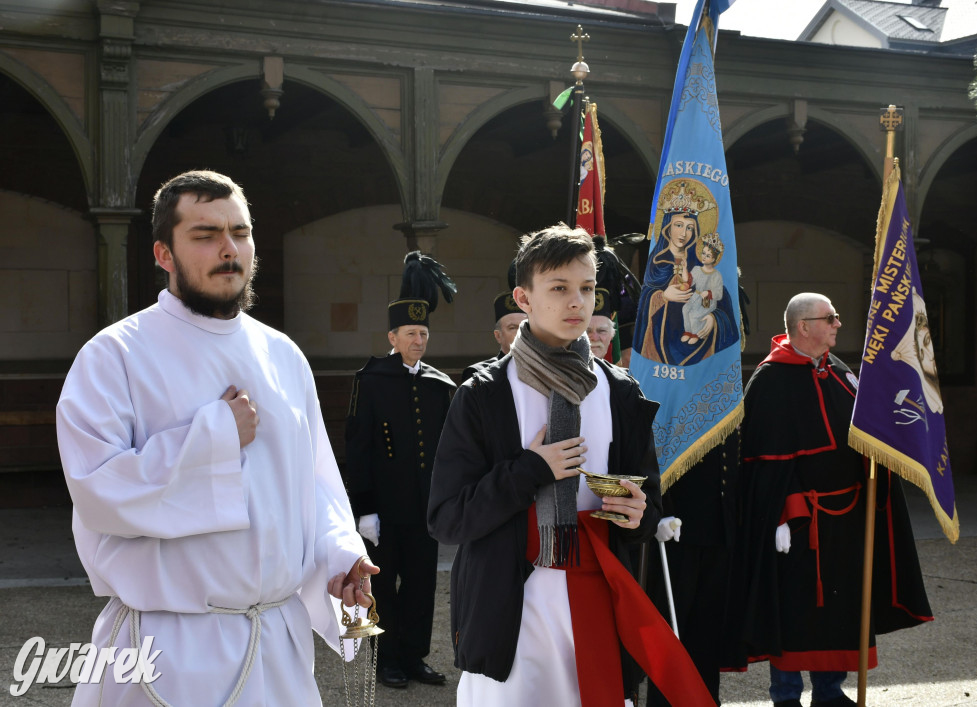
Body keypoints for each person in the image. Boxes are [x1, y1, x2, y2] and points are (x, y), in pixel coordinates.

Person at [56, 169, 377, 706]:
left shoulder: (283, 355)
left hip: (275, 643)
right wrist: (215, 438)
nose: (229, 249)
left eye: (240, 233)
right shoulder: (114, 355)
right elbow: (97, 491)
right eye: (205, 235)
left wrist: (339, 557)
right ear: (163, 254)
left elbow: (314, 486)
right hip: (165, 648)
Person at [427, 223, 714, 706]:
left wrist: (637, 511)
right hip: (512, 604)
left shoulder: (621, 392)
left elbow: (646, 503)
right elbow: (447, 517)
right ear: (524, 297)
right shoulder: (484, 395)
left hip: (599, 596)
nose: (577, 302)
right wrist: (529, 470)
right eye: (559, 289)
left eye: (586, 289)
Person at [735, 292, 933, 707]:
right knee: (793, 609)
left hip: (847, 521)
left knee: (842, 608)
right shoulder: (770, 379)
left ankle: (829, 692)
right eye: (831, 318)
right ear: (804, 326)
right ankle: (786, 695)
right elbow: (761, 461)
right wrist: (785, 514)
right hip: (799, 525)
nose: (838, 324)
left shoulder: (840, 370)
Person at [344, 251, 457, 689]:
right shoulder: (370, 381)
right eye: (410, 333)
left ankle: (414, 657)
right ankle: (386, 658)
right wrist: (364, 508)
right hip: (385, 510)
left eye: (424, 333)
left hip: (424, 508)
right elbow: (358, 448)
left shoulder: (439, 384)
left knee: (421, 585)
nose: (418, 341)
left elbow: (448, 451)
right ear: (392, 336)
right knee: (384, 587)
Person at [646, 430, 740, 706]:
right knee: (670, 635)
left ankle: (705, 700)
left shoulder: (727, 393)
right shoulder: (676, 386)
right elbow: (656, 450)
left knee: (707, 634)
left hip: (719, 532)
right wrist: (660, 510)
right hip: (678, 533)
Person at [634, 205, 739, 366]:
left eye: (690, 228)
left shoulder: (701, 265)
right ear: (667, 228)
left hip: (701, 341)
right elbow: (645, 303)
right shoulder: (657, 264)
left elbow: (722, 301)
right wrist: (662, 296)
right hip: (659, 345)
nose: (684, 233)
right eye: (678, 225)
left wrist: (714, 318)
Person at [462, 290, 526, 382]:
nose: (521, 332)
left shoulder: (543, 371)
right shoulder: (479, 374)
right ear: (498, 336)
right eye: (512, 328)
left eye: (526, 325)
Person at [682, 233, 724, 345]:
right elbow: (689, 282)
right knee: (685, 309)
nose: (704, 257)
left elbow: (719, 294)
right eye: (703, 253)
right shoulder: (696, 269)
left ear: (714, 259)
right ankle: (688, 331)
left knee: (695, 315)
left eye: (708, 255)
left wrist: (708, 292)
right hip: (696, 296)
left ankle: (696, 334)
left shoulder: (716, 275)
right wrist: (684, 268)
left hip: (707, 302)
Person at [586, 287, 616, 362]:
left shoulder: (619, 373)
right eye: (587, 331)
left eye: (602, 331)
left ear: (612, 335)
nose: (595, 338)